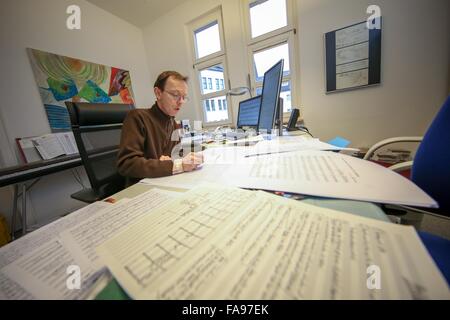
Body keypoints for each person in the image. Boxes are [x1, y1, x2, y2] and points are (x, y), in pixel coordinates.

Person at [117, 71, 203, 187]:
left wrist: (189, 157)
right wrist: (177, 165)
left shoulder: (173, 123)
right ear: (158, 93)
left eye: (184, 97)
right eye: (175, 95)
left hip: (165, 183)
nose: (181, 102)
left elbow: (176, 154)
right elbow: (127, 164)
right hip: (142, 188)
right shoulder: (138, 117)